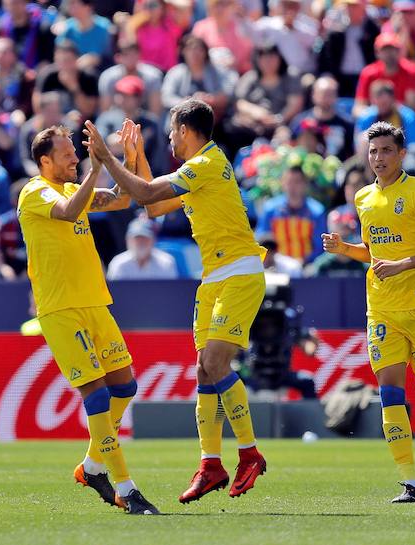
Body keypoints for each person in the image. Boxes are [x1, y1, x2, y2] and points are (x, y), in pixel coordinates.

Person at [83, 101, 268, 504]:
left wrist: (107, 159)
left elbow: (145, 191)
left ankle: (250, 453)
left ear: (186, 129)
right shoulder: (196, 171)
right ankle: (211, 464)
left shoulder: (206, 163)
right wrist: (137, 157)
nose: (169, 137)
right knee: (204, 371)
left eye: (171, 130)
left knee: (216, 364)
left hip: (240, 273)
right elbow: (152, 206)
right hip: (214, 277)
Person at [320, 121, 415, 503]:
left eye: (386, 150)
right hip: (383, 308)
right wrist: (345, 249)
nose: (379, 158)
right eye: (373, 151)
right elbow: (375, 254)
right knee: (389, 393)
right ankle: (411, 482)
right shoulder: (362, 199)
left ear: (401, 153)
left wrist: (404, 265)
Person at [18, 124, 159, 514]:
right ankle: (126, 488)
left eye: (75, 152)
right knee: (96, 396)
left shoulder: (70, 187)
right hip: (61, 309)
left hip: (95, 303)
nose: (74, 159)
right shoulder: (35, 192)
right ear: (45, 161)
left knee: (124, 388)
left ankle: (93, 466)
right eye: (67, 155)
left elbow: (121, 199)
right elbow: (67, 212)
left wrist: (126, 160)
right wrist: (96, 168)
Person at [227, 43, 304, 156]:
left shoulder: (291, 76)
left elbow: (295, 103)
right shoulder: (250, 77)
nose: (268, 62)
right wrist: (257, 113)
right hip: (255, 124)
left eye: (272, 57)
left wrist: (278, 119)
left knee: (285, 138)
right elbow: (240, 102)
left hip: (282, 124)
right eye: (264, 58)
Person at [95, 75, 165, 175]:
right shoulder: (107, 118)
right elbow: (100, 147)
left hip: (142, 174)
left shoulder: (151, 123)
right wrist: (136, 142)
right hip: (111, 171)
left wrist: (118, 141)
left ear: (139, 98)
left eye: (129, 95)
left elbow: (158, 157)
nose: (123, 98)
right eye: (120, 94)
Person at [256, 166, 326, 264]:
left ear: (305, 184)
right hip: (275, 266)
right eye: (288, 182)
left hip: (307, 268)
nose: (292, 187)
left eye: (297, 182)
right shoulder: (270, 209)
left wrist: (304, 261)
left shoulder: (316, 212)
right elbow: (261, 241)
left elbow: (321, 247)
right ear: (282, 183)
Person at [161, 34, 236, 125]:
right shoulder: (176, 72)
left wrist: (211, 99)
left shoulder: (217, 71)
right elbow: (166, 97)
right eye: (190, 49)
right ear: (183, 52)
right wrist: (187, 102)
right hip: (184, 122)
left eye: (198, 49)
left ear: (205, 52)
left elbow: (229, 91)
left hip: (213, 122)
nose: (194, 53)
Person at [317, 0, 380, 98]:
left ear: (363, 7)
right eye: (349, 6)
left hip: (365, 77)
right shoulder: (336, 32)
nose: (350, 9)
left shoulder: (373, 31)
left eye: (355, 6)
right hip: (341, 78)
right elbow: (326, 58)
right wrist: (329, 76)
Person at [353, 33, 415, 118]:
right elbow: (358, 108)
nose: (389, 54)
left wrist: (388, 111)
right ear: (377, 53)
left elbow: (412, 107)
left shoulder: (410, 71)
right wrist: (375, 114)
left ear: (399, 51)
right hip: (375, 120)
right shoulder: (368, 73)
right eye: (385, 50)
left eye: (392, 49)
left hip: (401, 121)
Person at [33, 37, 99, 123]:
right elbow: (38, 103)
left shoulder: (88, 77)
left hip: (80, 124)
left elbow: (88, 111)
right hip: (52, 120)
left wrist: (74, 88)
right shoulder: (48, 75)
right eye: (60, 60)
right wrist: (61, 117)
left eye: (68, 60)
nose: (64, 65)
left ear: (76, 59)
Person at [289, 76, 355, 161]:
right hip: (308, 170)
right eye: (323, 94)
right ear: (314, 95)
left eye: (330, 94)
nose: (326, 98)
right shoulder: (300, 121)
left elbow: (352, 153)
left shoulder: (347, 124)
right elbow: (292, 147)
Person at [251, 0, 320, 75]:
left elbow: (315, 43)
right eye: (286, 5)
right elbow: (249, 33)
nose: (289, 10)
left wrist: (292, 27)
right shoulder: (268, 24)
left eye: (292, 6)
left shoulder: (308, 25)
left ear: (298, 7)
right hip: (278, 76)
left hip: (304, 73)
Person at [97, 40, 164, 117]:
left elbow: (155, 113)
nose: (131, 58)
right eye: (126, 55)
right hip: (116, 122)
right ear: (117, 58)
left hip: (144, 122)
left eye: (134, 54)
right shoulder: (108, 77)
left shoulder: (153, 76)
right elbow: (105, 111)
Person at [123, 0, 189, 73]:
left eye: (153, 5)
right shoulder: (138, 28)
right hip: (147, 75)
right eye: (146, 6)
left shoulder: (170, 25)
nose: (149, 8)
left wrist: (168, 2)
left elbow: (186, 9)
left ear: (162, 7)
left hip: (168, 74)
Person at [191, 0, 254, 75]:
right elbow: (193, 54)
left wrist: (233, 63)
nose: (220, 8)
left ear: (233, 6)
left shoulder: (241, 27)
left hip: (237, 76)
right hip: (206, 77)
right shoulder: (200, 28)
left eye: (224, 4)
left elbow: (248, 57)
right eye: (216, 4)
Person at [106, 218, 179, 280]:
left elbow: (170, 292)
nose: (141, 242)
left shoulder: (166, 262)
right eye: (137, 239)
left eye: (145, 238)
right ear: (128, 241)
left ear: (153, 240)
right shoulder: (118, 263)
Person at [0, 0, 55, 70]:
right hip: (12, 74)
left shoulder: (42, 28)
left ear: (26, 3)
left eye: (16, 3)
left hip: (37, 73)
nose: (13, 7)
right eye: (9, 4)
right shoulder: (2, 28)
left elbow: (49, 57)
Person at [58, 0, 113, 70]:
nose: (70, 7)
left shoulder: (104, 27)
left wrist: (97, 59)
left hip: (98, 72)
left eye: (74, 3)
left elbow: (109, 56)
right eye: (69, 4)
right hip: (72, 71)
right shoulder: (66, 28)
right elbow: (60, 55)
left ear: (88, 6)